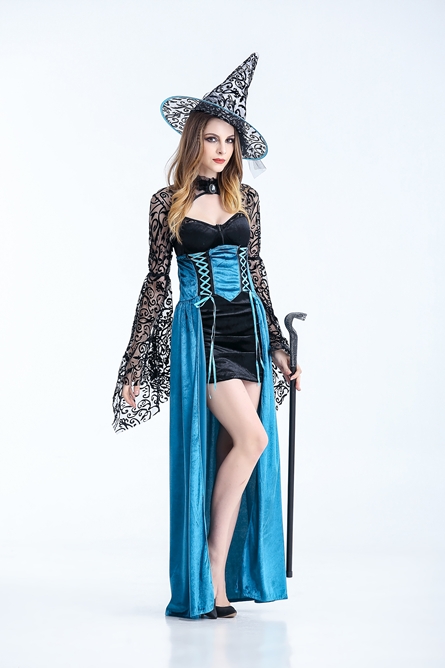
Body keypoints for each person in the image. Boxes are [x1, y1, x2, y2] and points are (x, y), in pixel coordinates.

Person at [112, 53, 302, 620]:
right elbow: (155, 284)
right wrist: (134, 363)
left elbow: (256, 271)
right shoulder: (166, 203)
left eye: (230, 141)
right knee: (254, 439)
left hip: (247, 331)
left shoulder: (247, 200)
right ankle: (213, 565)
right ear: (194, 139)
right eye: (213, 138)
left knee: (235, 449)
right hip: (203, 335)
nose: (222, 149)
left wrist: (278, 344)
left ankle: (217, 569)